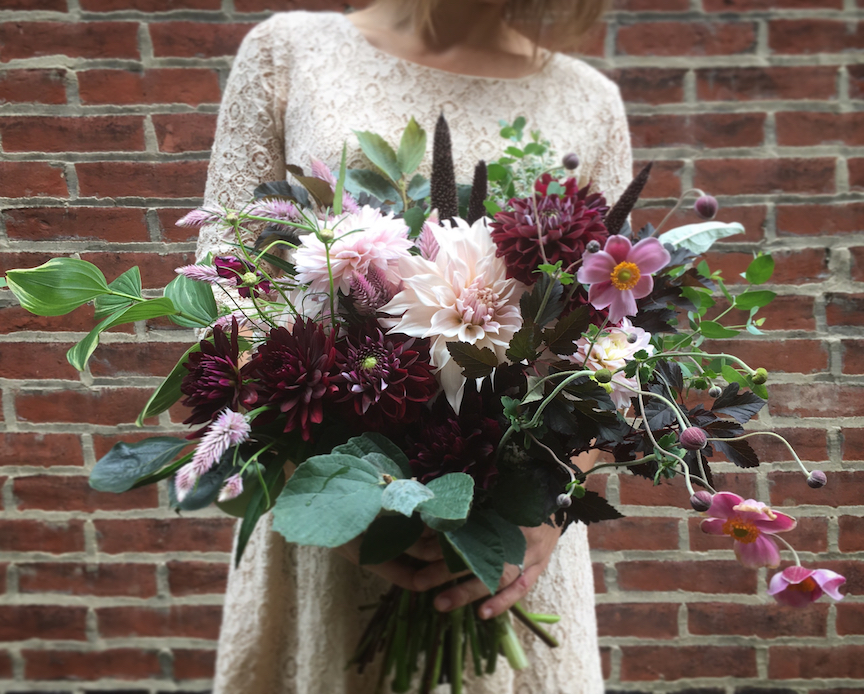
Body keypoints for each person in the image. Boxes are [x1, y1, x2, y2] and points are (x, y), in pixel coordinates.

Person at [196, 0, 631, 691]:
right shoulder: (289, 52)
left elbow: (611, 331)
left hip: (509, 547)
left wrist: (547, 510)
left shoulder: (589, 100)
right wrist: (334, 505)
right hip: (333, 524)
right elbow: (226, 289)